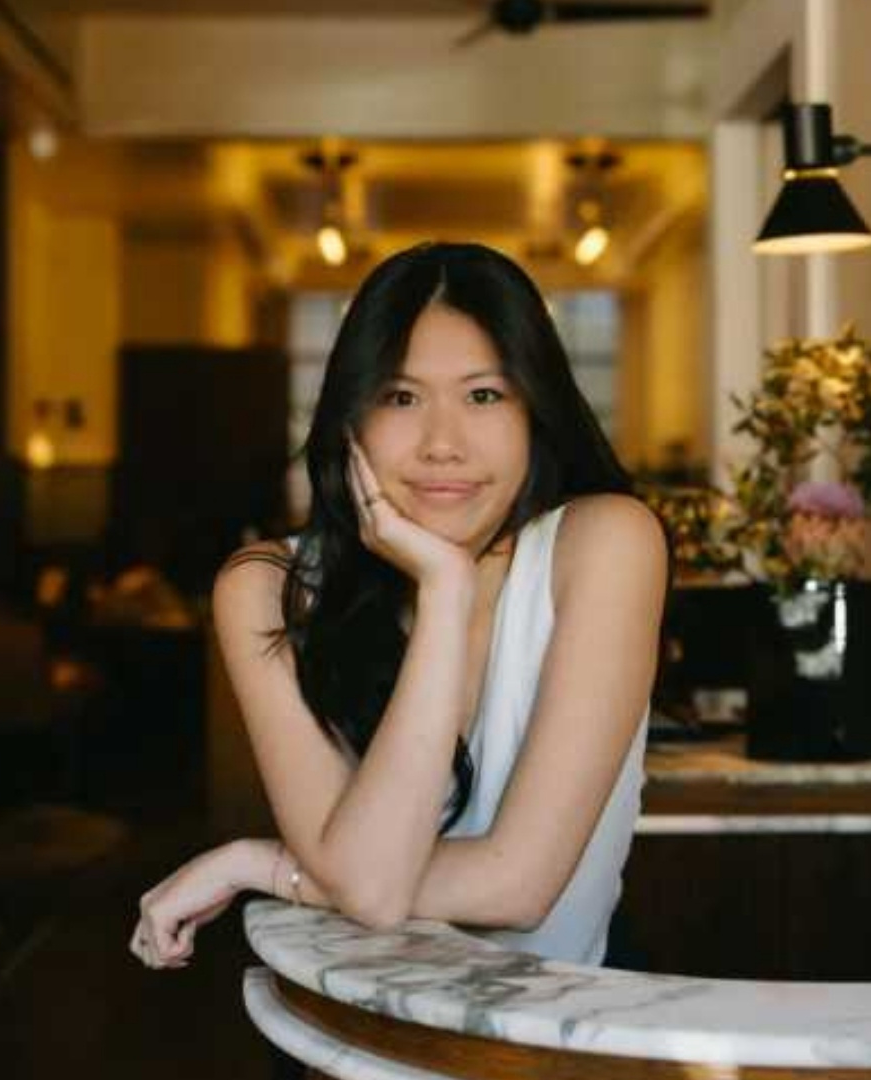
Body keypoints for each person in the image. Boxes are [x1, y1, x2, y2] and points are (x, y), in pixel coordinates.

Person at [128, 241, 668, 970]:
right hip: (343, 1020)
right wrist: (444, 593)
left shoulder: (606, 544)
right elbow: (368, 886)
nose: (443, 444)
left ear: (535, 411)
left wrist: (264, 863)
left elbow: (517, 887)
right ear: (350, 418)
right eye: (401, 397)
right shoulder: (266, 588)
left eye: (485, 395)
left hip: (542, 1031)